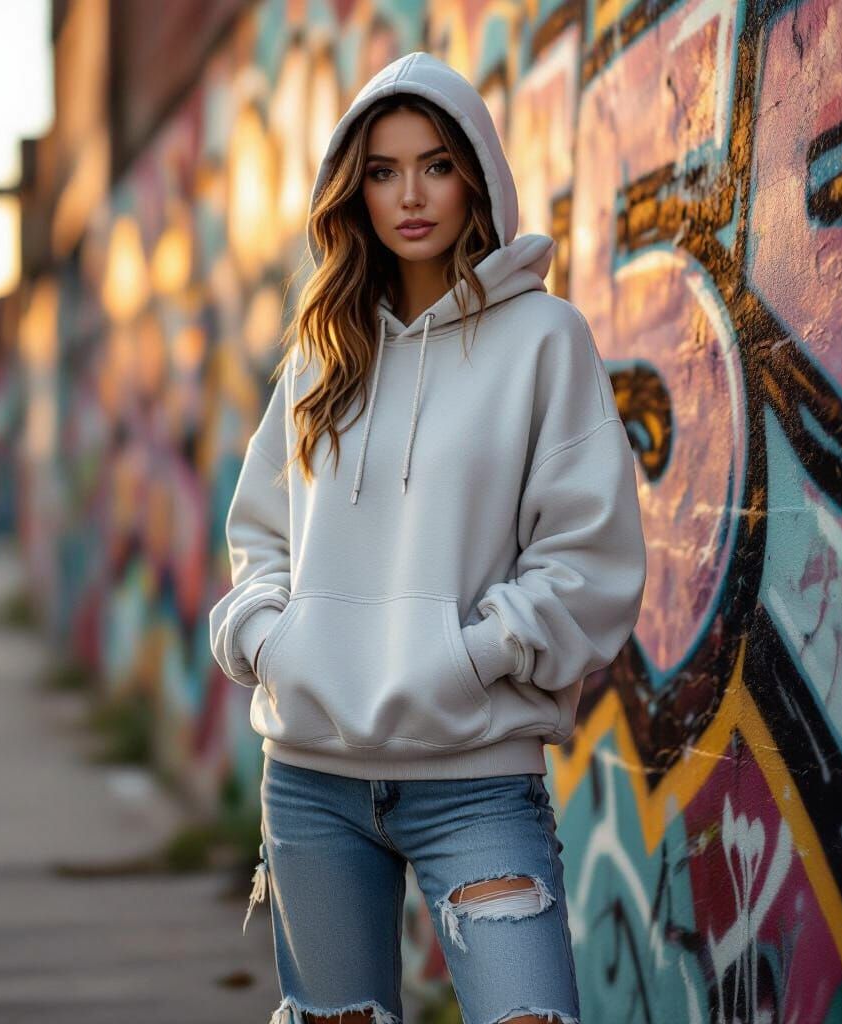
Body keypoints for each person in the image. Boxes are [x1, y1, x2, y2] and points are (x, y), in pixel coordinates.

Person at [209, 50, 646, 1024]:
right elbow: (260, 538)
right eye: (381, 169)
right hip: (312, 780)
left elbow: (586, 559)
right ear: (351, 188)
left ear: (477, 176)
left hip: (475, 778)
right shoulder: (324, 350)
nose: (409, 194)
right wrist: (265, 638)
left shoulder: (544, 340)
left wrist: (470, 654)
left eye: (436, 164)